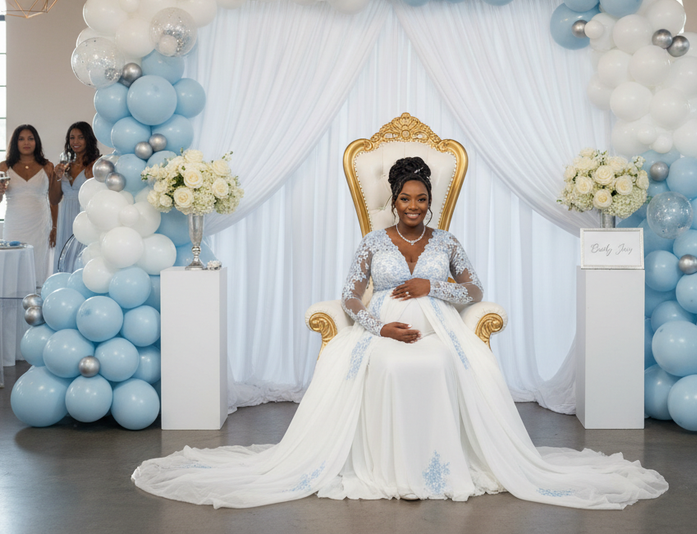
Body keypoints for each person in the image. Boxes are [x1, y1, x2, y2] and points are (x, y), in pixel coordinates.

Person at [132, 157, 667, 509]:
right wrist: (377, 323)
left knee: (441, 364)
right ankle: (384, 465)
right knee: (386, 364)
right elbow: (347, 295)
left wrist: (431, 289)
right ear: (392, 200)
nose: (413, 208)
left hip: (439, 327)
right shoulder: (371, 241)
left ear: (430, 202)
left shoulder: (448, 240)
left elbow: (475, 291)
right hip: (384, 328)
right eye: (404, 200)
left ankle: (440, 468)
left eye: (421, 200)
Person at [0, 125, 54, 287]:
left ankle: (37, 304)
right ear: (15, 142)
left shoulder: (47, 166)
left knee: (38, 266)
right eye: (21, 139)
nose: (26, 142)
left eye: (30, 138)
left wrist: (54, 227)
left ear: (36, 142)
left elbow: (54, 200)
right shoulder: (4, 167)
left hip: (40, 225)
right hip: (15, 225)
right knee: (13, 265)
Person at [49, 121, 99, 273]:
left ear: (88, 139)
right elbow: (54, 199)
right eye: (72, 138)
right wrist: (57, 177)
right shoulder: (65, 167)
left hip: (85, 216)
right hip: (66, 217)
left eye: (80, 137)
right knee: (65, 256)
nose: (75, 142)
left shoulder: (95, 164)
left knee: (82, 257)